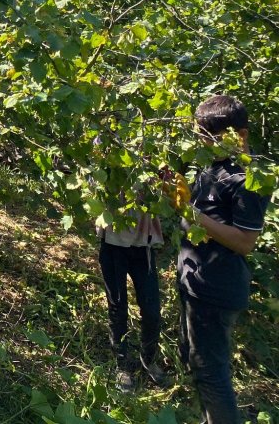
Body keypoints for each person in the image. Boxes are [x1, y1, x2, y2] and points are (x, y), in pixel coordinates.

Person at [176, 94, 272, 424]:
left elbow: (245, 242)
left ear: (239, 135)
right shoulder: (214, 167)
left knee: (212, 375)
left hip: (216, 292)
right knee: (197, 363)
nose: (201, 142)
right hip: (196, 283)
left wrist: (188, 212)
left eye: (208, 136)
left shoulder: (249, 179)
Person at [97, 208, 166, 392]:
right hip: (113, 241)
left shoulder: (155, 176)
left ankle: (148, 360)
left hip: (143, 245)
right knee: (117, 306)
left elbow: (169, 191)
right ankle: (122, 365)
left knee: (152, 309)